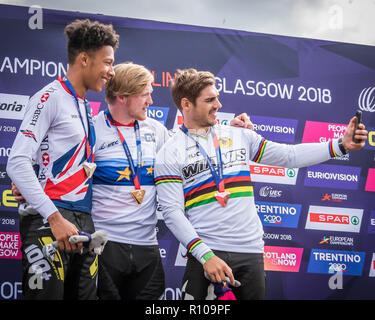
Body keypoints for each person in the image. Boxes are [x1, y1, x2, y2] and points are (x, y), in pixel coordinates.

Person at [154, 68, 368, 300]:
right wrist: (205, 256)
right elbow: (172, 212)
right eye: (210, 100)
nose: (218, 104)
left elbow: (290, 156)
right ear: (186, 104)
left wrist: (341, 145)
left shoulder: (238, 134)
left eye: (216, 97)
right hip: (207, 255)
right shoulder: (169, 153)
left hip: (251, 253)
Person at [90, 62, 254, 300]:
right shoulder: (93, 130)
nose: (150, 101)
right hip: (106, 245)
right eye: (145, 94)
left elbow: (191, 146)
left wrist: (231, 131)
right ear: (123, 97)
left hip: (147, 245)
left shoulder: (155, 130)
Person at [6, 19, 119, 300]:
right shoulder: (49, 97)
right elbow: (17, 162)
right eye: (107, 62)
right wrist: (54, 217)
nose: (111, 71)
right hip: (49, 220)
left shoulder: (83, 103)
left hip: (83, 220)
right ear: (84, 59)